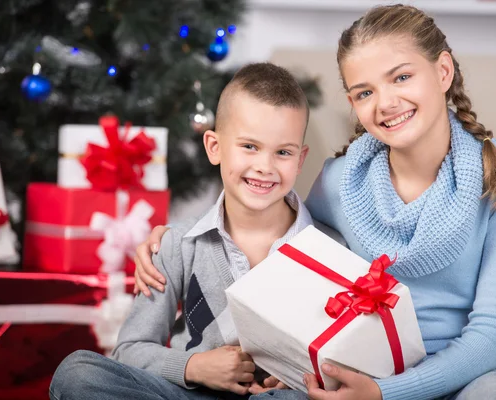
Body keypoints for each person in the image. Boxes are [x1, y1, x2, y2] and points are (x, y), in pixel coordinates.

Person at [132, 5, 496, 400]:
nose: (386, 103)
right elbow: (282, 234)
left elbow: (492, 335)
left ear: (443, 71)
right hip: (367, 371)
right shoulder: (340, 181)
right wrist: (170, 240)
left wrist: (384, 394)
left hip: (470, 374)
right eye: (364, 92)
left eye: (401, 77)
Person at [49, 62, 315, 400]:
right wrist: (194, 366)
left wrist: (300, 376)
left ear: (301, 159)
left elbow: (340, 358)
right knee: (78, 373)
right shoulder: (176, 244)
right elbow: (130, 350)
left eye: (283, 152)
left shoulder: (325, 248)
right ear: (214, 147)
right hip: (189, 395)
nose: (264, 165)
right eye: (249, 146)